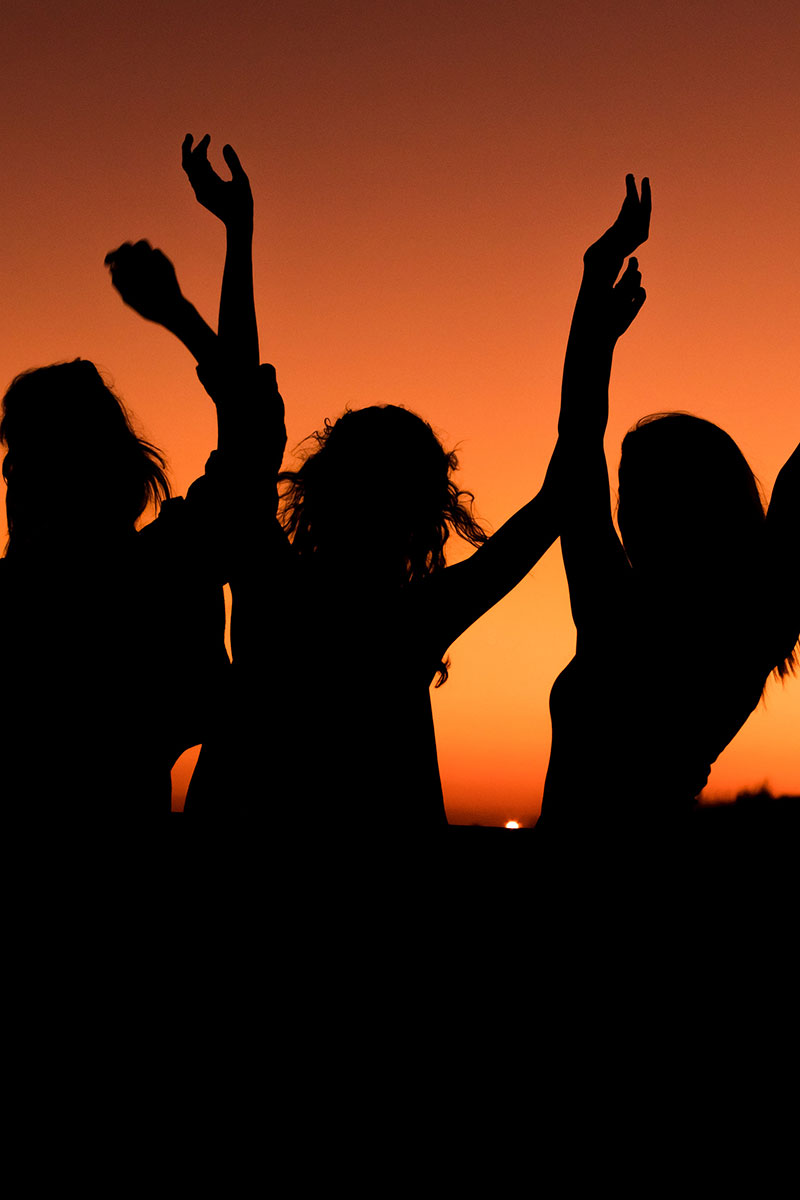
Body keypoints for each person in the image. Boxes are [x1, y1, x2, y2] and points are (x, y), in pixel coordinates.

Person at [164, 134, 568, 823]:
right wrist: (590, 318)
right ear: (426, 512)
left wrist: (238, 236)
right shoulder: (414, 618)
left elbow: (244, 415)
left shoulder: (271, 583)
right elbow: (562, 495)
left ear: (322, 487)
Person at [537, 175, 799, 850]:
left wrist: (595, 295)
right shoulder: (749, 620)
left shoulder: (632, 615)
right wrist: (595, 294)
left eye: (638, 489)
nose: (621, 506)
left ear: (690, 502)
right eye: (622, 489)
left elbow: (577, 438)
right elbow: (579, 439)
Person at [0, 246, 230, 808]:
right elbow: (251, 438)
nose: (8, 469)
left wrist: (179, 312)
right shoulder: (167, 564)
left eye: (24, 450)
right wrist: (179, 315)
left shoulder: (158, 564)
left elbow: (251, 441)